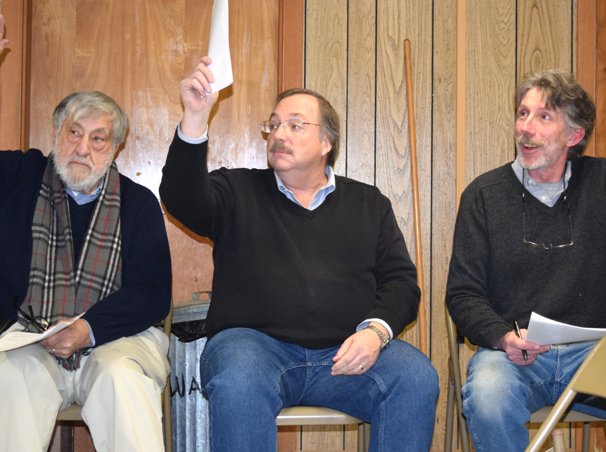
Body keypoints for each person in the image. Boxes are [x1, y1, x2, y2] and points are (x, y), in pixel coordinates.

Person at [159, 59, 439, 451]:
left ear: (327, 142)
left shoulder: (368, 203)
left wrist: (376, 333)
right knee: (238, 375)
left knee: (415, 376)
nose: (278, 134)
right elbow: (181, 199)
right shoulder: (236, 189)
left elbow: (402, 286)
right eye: (273, 125)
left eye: (295, 124)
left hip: (346, 355)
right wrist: (194, 118)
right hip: (255, 352)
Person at [0, 6, 172, 451]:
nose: (83, 147)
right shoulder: (18, 177)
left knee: (122, 381)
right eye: (74, 133)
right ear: (56, 133)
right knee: (14, 379)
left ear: (115, 149)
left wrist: (88, 329)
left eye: (98, 138)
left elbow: (152, 292)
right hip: (26, 340)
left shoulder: (137, 203)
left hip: (115, 342)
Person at [445, 25, 606, 452]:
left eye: (543, 117)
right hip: (514, 357)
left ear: (574, 136)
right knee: (486, 395)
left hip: (594, 359)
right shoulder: (483, 196)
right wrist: (503, 337)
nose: (526, 127)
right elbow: (463, 292)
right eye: (522, 113)